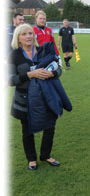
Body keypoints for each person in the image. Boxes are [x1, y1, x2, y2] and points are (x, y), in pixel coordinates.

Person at [8, 24, 65, 171]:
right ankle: (31, 159)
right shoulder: (14, 55)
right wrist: (29, 74)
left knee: (50, 126)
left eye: (30, 33)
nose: (28, 36)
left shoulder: (42, 50)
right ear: (18, 38)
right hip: (24, 99)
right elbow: (9, 79)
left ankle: (46, 155)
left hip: (45, 97)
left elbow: (59, 69)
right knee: (27, 130)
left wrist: (52, 73)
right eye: (24, 34)